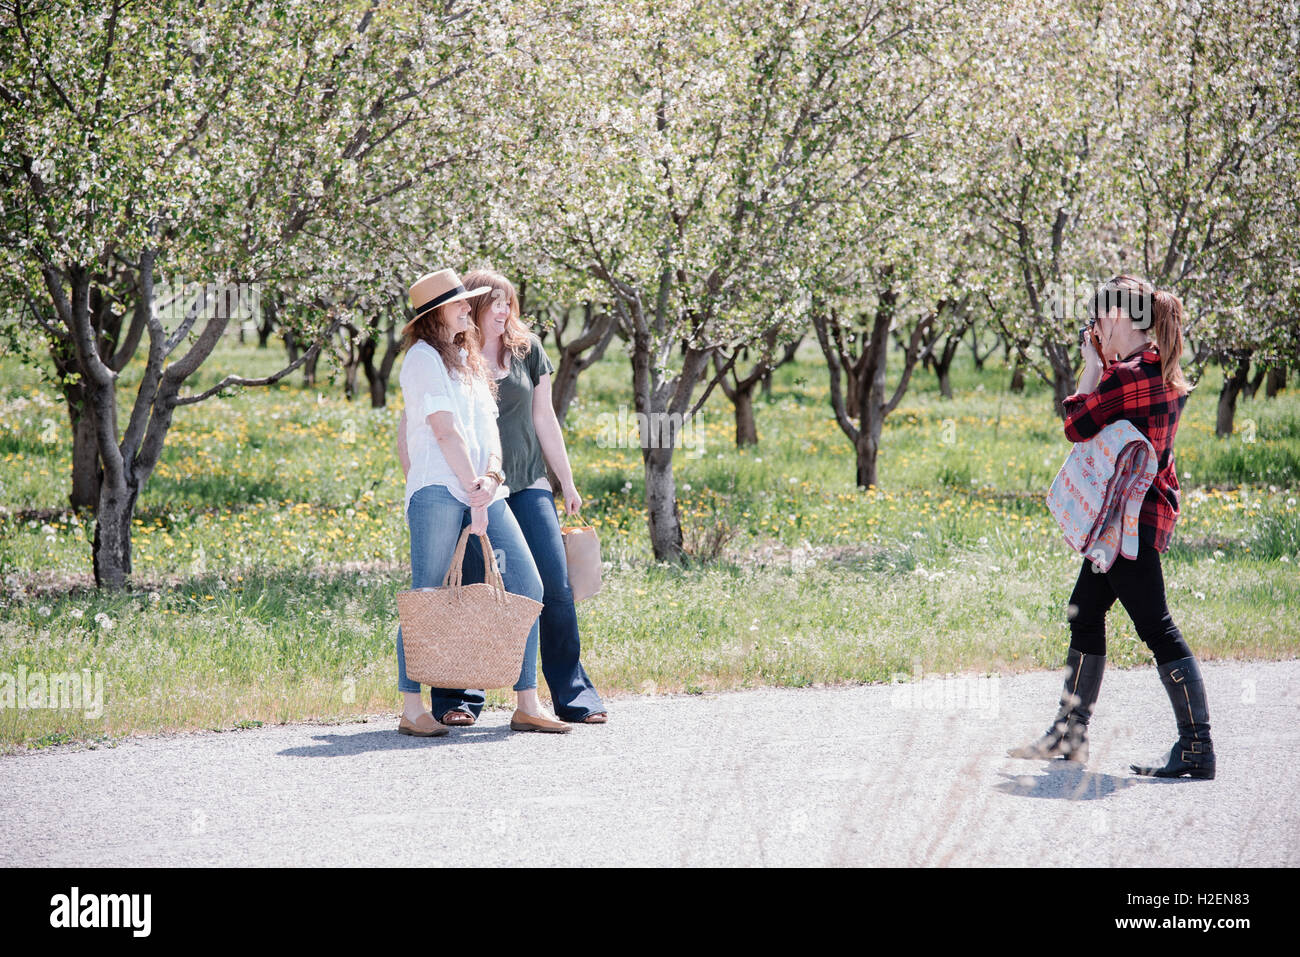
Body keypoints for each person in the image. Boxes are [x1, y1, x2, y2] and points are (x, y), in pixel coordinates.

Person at [1009, 275, 1215, 778]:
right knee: (1084, 613)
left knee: (1158, 628)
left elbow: (1076, 426)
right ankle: (1069, 734)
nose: (1096, 326)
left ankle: (1197, 746)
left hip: (1126, 523)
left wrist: (1090, 368)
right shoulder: (1157, 368)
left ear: (1121, 317)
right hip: (1130, 517)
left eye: (1100, 317)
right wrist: (1106, 365)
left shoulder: (1128, 376)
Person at [399, 269, 607, 725]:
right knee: (442, 592)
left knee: (538, 587)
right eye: (470, 303)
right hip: (447, 487)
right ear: (446, 312)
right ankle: (434, 704)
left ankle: (543, 699)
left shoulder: (497, 354)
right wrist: (456, 485)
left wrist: (502, 479)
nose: (490, 309)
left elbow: (513, 422)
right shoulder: (430, 358)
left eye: (504, 301)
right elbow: (435, 427)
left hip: (503, 485)